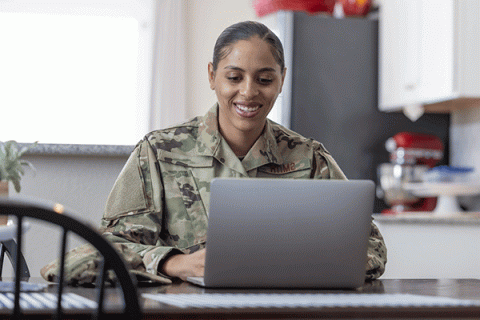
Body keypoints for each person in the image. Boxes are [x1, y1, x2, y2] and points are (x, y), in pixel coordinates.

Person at [41, 21, 386, 285]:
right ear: (212, 76)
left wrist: (299, 265)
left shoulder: (309, 159)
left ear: (282, 79)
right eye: (234, 77)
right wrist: (172, 263)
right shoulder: (159, 153)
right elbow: (105, 249)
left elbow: (371, 249)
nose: (248, 93)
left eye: (264, 80)